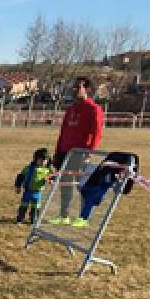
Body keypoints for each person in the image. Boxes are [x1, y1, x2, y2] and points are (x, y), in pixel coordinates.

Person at [48, 76, 103, 223]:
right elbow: (63, 132)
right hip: (65, 152)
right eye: (74, 86)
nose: (74, 90)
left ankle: (83, 217)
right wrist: (57, 153)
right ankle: (63, 215)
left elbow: (96, 132)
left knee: (83, 186)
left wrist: (89, 152)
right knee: (65, 186)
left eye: (78, 87)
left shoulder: (94, 109)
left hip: (80, 153)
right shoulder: (71, 109)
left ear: (87, 89)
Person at [13, 147, 50, 224]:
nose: (43, 162)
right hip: (27, 192)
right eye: (41, 160)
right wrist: (18, 186)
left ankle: (34, 220)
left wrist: (50, 180)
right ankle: (20, 219)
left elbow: (53, 178)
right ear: (35, 159)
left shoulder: (48, 171)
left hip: (37, 193)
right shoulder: (28, 168)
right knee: (24, 206)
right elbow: (20, 177)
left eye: (45, 160)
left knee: (36, 207)